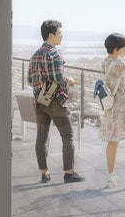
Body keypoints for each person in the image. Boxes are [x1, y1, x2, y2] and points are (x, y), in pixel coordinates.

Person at [28, 20, 84, 183]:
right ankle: (69, 172)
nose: (62, 36)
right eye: (59, 33)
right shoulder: (54, 54)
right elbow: (59, 78)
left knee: (41, 139)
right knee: (67, 136)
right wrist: (71, 80)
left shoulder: (35, 55)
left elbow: (31, 80)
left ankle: (44, 174)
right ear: (51, 35)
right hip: (56, 103)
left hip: (40, 102)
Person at [100, 33, 125, 189]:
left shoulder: (106, 62)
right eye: (123, 48)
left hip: (112, 105)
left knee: (113, 140)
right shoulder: (118, 65)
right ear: (116, 48)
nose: (124, 51)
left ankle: (110, 177)